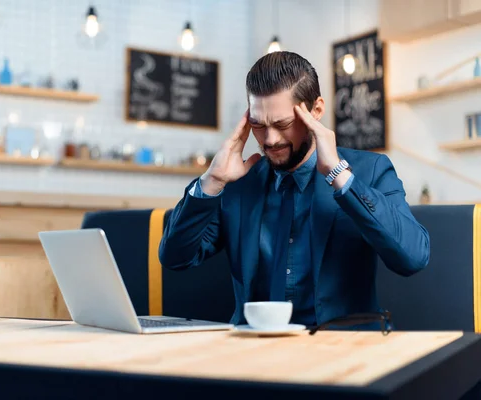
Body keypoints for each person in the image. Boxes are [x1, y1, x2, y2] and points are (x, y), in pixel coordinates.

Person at [158, 51, 430, 328]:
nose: (270, 140)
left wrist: (338, 175)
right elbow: (175, 257)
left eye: (282, 124)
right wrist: (212, 181)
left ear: (316, 111)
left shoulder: (369, 170)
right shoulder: (239, 183)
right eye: (258, 125)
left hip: (341, 348)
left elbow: (412, 257)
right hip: (255, 349)